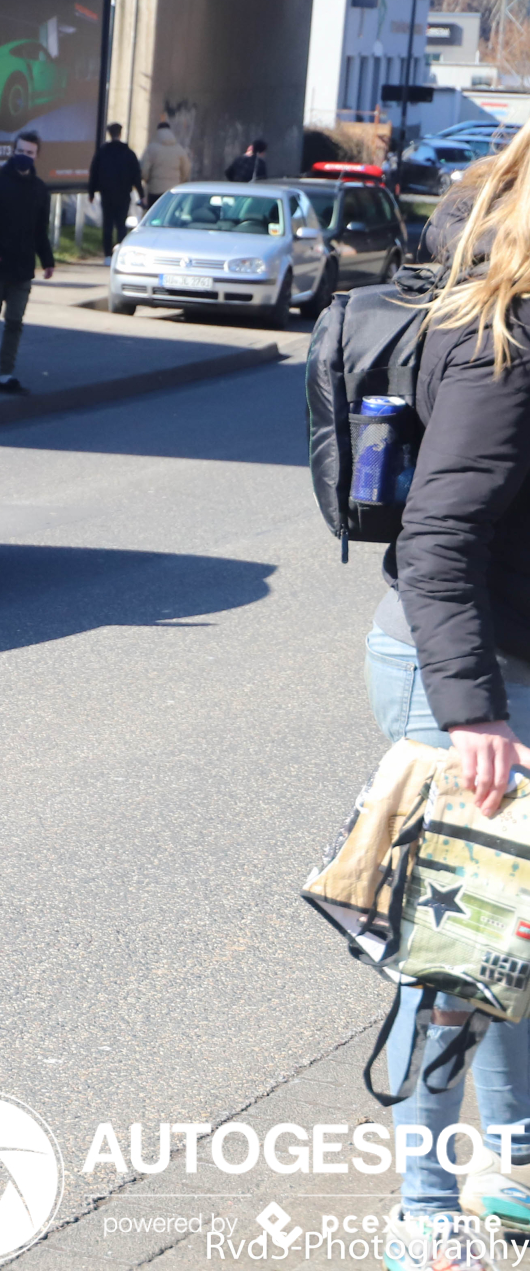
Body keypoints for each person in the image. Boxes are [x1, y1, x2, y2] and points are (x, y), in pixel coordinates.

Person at [369, 142, 530, 1264]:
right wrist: (473, 711)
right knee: (456, 946)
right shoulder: (502, 341)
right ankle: (426, 1212)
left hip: (499, 662)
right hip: (464, 674)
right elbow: (434, 539)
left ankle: (511, 1171)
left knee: (515, 936)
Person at [0, 133, 55, 393]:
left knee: (15, 321)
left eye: (30, 153)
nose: (24, 156)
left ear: (36, 155)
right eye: (21, 151)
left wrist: (47, 260)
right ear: (12, 151)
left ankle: (5, 376)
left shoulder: (40, 190)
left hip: (22, 268)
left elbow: (41, 230)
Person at [87, 122, 143, 256]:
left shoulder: (102, 152)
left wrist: (91, 192)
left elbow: (94, 172)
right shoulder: (128, 153)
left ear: (109, 134)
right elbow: (136, 175)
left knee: (107, 224)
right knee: (121, 225)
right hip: (124, 194)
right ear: (120, 133)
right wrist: (142, 194)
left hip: (106, 193)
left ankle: (107, 255)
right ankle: (121, 254)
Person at [141, 120, 191, 207]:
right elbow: (186, 168)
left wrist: (148, 180)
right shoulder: (179, 149)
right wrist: (180, 181)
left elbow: (144, 170)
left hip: (155, 190)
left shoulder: (151, 148)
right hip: (173, 190)